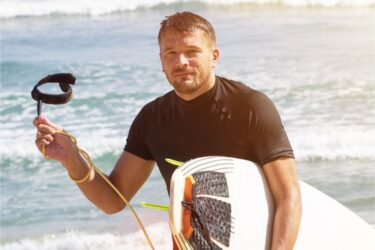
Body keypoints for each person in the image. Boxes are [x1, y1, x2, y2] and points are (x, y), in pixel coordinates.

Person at [33, 11, 301, 250]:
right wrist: (72, 159)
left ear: (214, 56)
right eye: (170, 53)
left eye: (192, 51)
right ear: (161, 62)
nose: (181, 61)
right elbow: (113, 200)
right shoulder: (152, 119)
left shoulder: (250, 106)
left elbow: (288, 196)